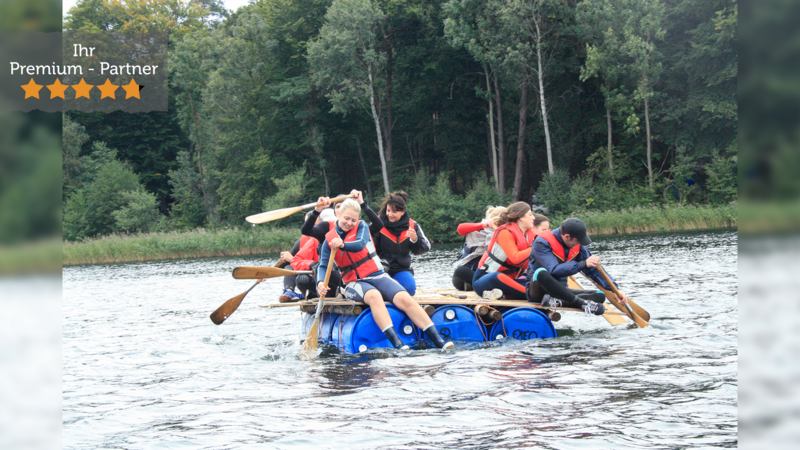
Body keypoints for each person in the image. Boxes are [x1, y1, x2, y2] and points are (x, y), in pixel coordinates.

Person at [317, 199, 453, 350]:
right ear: (339, 215)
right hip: (353, 282)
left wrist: (343, 245)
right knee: (374, 296)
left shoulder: (362, 226)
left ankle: (439, 341)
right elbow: (323, 266)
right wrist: (320, 283)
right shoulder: (328, 240)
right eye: (346, 219)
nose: (349, 223)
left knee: (404, 297)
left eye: (353, 220)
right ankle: (398, 344)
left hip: (376, 274)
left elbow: (360, 244)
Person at [526, 217, 629, 315]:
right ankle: (582, 303)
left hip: (561, 293)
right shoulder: (541, 242)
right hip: (538, 292)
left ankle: (559, 302)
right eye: (578, 241)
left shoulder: (577, 246)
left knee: (600, 295)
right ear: (567, 237)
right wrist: (583, 264)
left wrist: (614, 289)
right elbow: (553, 270)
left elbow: (593, 271)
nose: (579, 243)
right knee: (541, 273)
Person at [471, 202, 536, 300]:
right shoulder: (505, 232)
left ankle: (508, 294)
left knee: (539, 280)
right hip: (486, 279)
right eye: (530, 215)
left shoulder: (529, 235)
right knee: (498, 277)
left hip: (512, 281)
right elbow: (516, 259)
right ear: (521, 217)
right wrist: (534, 248)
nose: (533, 218)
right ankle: (532, 295)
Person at [372, 191, 430, 296]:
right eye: (388, 210)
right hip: (380, 269)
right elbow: (367, 247)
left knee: (409, 289)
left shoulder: (413, 225)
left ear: (403, 212)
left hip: (401, 268)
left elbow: (426, 247)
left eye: (394, 212)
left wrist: (415, 240)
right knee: (381, 293)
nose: (389, 214)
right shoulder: (377, 224)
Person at [451, 206, 507, 291]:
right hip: (468, 272)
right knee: (460, 271)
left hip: (486, 273)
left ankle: (476, 285)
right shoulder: (479, 229)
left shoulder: (505, 234)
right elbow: (460, 228)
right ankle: (478, 285)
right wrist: (482, 225)